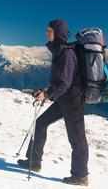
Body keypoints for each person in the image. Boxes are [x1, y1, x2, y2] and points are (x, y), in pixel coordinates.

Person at [17, 19, 89, 186]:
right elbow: (59, 81)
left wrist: (48, 95)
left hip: (73, 101)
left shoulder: (66, 54)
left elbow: (65, 82)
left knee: (77, 139)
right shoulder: (59, 51)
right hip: (63, 99)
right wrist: (45, 91)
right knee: (40, 123)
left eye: (49, 31)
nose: (46, 33)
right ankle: (34, 162)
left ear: (58, 33)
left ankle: (80, 176)